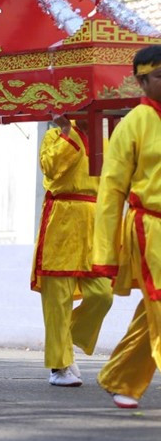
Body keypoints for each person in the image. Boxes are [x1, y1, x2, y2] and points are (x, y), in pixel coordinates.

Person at [95, 45, 161, 409]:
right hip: (151, 228)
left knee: (152, 310)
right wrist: (104, 253)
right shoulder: (133, 124)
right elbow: (111, 191)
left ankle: (121, 377)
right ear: (142, 81)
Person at [32, 115, 114, 387]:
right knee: (58, 299)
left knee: (102, 294)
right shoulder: (55, 136)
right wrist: (68, 131)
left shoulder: (106, 139)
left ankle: (63, 342)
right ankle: (59, 365)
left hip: (93, 222)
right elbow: (51, 169)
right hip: (62, 219)